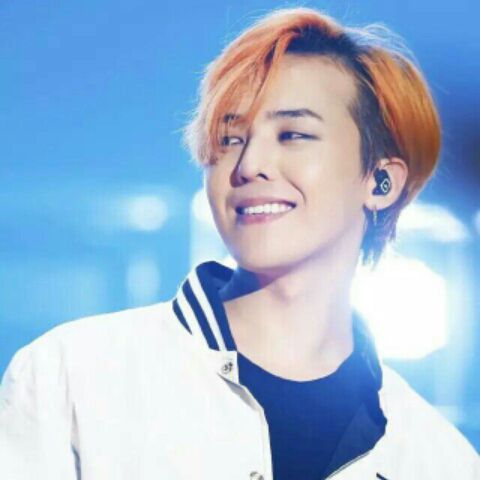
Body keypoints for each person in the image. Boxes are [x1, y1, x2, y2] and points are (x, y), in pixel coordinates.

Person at [0, 7, 478, 480]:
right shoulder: (72, 377)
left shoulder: (439, 459)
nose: (250, 165)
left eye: (293, 134)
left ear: (380, 182)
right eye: (230, 139)